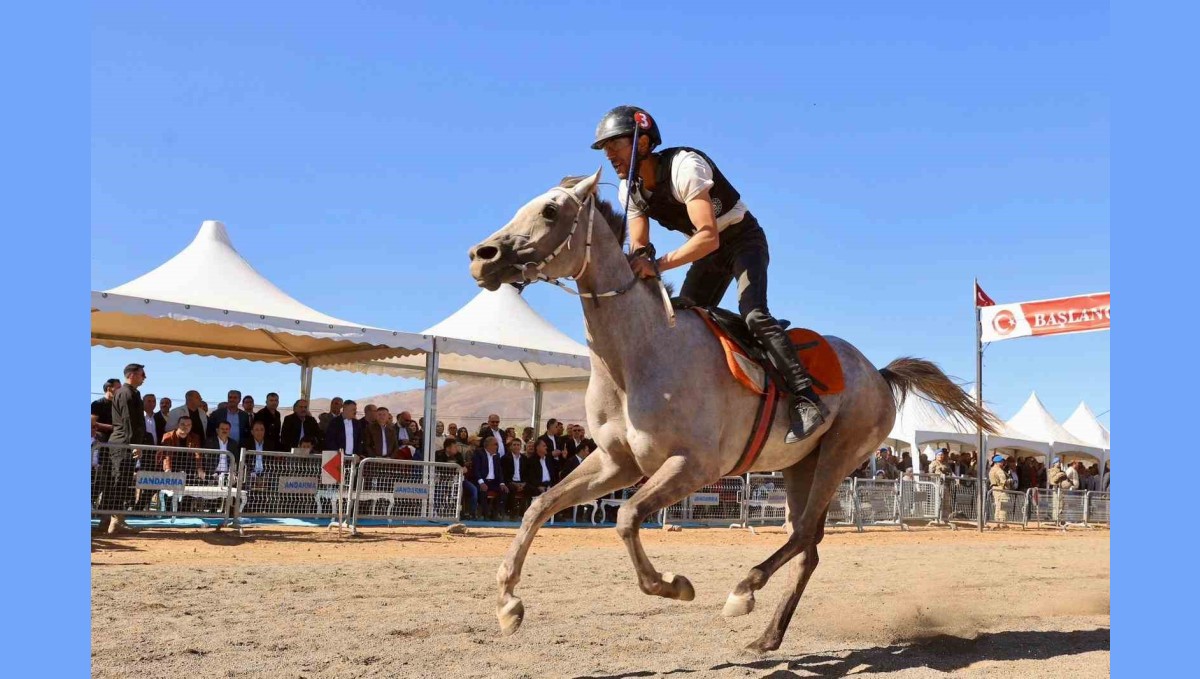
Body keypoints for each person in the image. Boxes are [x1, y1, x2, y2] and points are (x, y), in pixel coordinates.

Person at [593, 105, 827, 442]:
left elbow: (708, 235)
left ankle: (807, 398)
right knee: (680, 316)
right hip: (709, 252)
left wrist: (658, 266)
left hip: (741, 240)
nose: (610, 155)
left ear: (643, 143)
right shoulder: (628, 189)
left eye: (616, 145)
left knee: (755, 315)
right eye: (606, 149)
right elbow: (641, 247)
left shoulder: (686, 166)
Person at [104, 364, 148, 534]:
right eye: (142, 374)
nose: (144, 377)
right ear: (131, 375)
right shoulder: (126, 393)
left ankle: (107, 520)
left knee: (118, 480)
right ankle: (116, 521)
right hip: (123, 443)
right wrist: (134, 445)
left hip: (123, 442)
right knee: (120, 481)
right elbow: (128, 420)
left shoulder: (130, 392)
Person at [988, 454, 1014, 523]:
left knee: (998, 507)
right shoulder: (999, 471)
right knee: (1003, 506)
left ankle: (997, 522)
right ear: (997, 462)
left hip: (995, 489)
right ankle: (1002, 522)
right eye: (1001, 461)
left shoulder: (992, 470)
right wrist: (1010, 481)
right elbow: (1004, 482)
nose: (1003, 463)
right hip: (1001, 490)